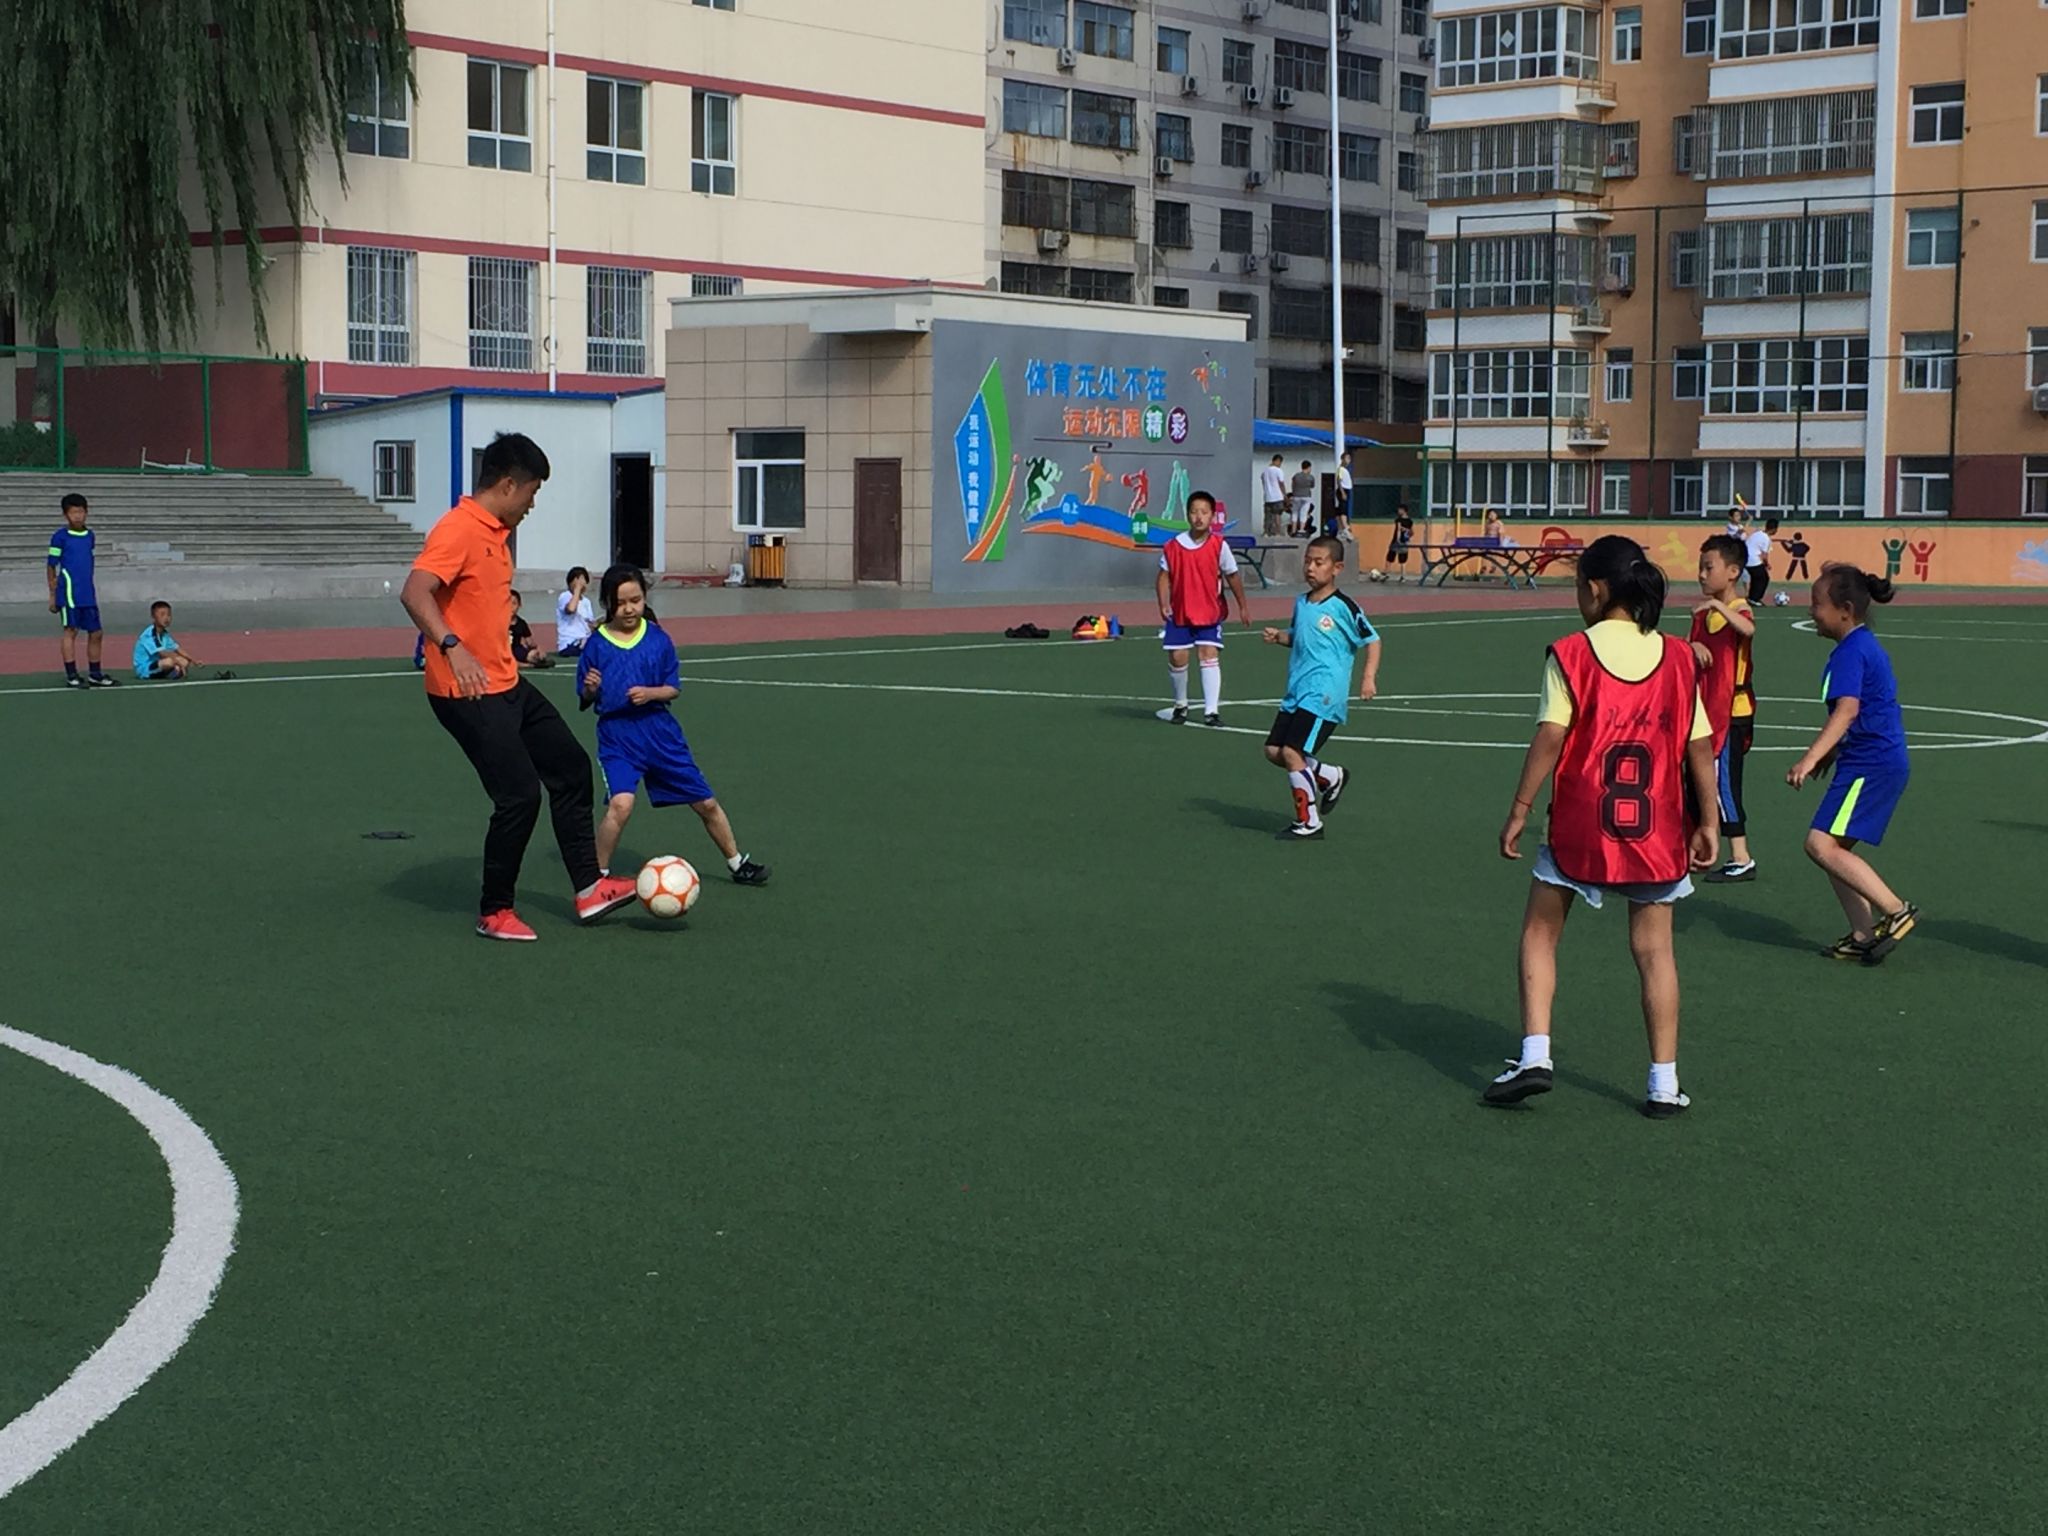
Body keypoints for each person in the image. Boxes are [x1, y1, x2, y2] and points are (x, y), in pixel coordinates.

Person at [1490, 535, 1719, 1119]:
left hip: (1580, 824)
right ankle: (1663, 1082)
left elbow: (1551, 735)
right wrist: (1710, 820)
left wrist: (1519, 808)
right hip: (1656, 829)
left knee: (1540, 931)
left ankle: (1535, 1054)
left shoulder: (1571, 653)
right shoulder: (1678, 657)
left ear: (1594, 589)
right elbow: (1700, 746)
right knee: (1655, 950)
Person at [398, 433, 637, 941]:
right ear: (508, 485)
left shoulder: (497, 533)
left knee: (570, 768)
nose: (532, 504)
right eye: (532, 492)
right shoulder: (459, 528)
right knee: (519, 796)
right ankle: (494, 911)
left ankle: (589, 888)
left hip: (505, 683)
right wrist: (452, 645)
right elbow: (415, 592)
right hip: (464, 692)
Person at [577, 565, 771, 888]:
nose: (629, 609)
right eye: (621, 603)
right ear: (607, 603)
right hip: (618, 737)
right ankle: (597, 879)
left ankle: (738, 863)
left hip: (660, 733)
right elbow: (585, 696)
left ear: (644, 598)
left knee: (706, 803)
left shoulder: (658, 639)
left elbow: (673, 688)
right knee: (621, 805)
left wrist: (650, 693)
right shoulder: (596, 644)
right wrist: (590, 688)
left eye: (635, 600)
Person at [1787, 564, 1917, 964]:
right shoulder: (1859, 647)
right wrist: (1831, 754)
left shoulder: (1851, 652)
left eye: (1817, 604)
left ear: (1845, 610)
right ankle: (1862, 933)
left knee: (1819, 844)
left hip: (1871, 763)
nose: (1811, 611)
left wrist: (1810, 758)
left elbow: (1847, 710)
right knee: (1834, 848)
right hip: (1870, 760)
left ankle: (1896, 910)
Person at [1260, 535, 1381, 840]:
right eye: (1307, 561)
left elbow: (1373, 640)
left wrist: (1368, 677)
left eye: (1319, 562)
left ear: (1337, 567)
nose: (1311, 568)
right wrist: (1280, 637)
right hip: (1297, 691)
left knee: (1292, 752)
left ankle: (1309, 822)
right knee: (1273, 751)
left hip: (1324, 694)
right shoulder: (1301, 602)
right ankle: (1329, 776)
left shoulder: (1343, 606)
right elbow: (1300, 637)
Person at [1690, 535, 1758, 883]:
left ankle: (1741, 856)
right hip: (1705, 710)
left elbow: (1748, 628)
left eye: (1709, 567)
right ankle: (1697, 845)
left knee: (1724, 783)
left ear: (1733, 572)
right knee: (1698, 779)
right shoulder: (1702, 615)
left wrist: (1717, 607)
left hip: (1732, 712)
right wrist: (1692, 647)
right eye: (1700, 567)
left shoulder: (1739, 611)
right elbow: (1689, 651)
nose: (1701, 575)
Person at [1157, 489, 1251, 726]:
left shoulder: (1219, 545)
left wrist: (1243, 606)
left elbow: (1232, 575)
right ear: (1187, 515)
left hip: (1209, 611)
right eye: (1194, 512)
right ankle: (1181, 705)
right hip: (1180, 611)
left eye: (1204, 512)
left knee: (1209, 653)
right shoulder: (1173, 546)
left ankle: (1211, 711)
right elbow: (1163, 576)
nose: (1199, 517)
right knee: (1178, 656)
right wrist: (1164, 602)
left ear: (1212, 516)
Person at [48, 493, 117, 688]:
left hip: (87, 593)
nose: (77, 516)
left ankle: (95, 673)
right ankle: (72, 675)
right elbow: (51, 566)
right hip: (69, 593)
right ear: (65, 515)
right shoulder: (60, 537)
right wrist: (53, 594)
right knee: (71, 631)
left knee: (96, 632)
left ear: (86, 512)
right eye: (73, 512)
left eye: (80, 512)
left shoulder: (90, 536)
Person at [132, 601, 200, 680]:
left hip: (159, 663)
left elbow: (177, 648)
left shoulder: (164, 634)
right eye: (162, 615)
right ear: (153, 616)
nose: (166, 618)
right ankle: (171, 672)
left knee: (184, 661)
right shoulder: (149, 635)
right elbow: (162, 653)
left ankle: (171, 672)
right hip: (145, 669)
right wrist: (177, 662)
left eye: (169, 615)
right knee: (169, 662)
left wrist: (193, 660)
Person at [556, 567, 595, 656]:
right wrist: (577, 589)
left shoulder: (586, 601)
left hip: (585, 640)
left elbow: (590, 624)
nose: (582, 583)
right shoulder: (565, 596)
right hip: (569, 643)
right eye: (578, 580)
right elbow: (571, 609)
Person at [509, 590, 552, 668]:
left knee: (533, 655)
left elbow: (531, 643)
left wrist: (539, 651)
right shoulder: (500, 623)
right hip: (504, 650)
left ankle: (538, 662)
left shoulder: (521, 623)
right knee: (506, 660)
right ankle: (527, 665)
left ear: (519, 605)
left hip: (517, 649)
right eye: (508, 604)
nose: (511, 607)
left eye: (514, 603)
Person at [1744, 517, 1778, 604]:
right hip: (1753, 560)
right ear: (1774, 529)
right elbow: (1765, 555)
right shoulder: (1766, 539)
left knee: (1756, 578)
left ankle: (1752, 598)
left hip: (1745, 559)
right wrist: (1767, 564)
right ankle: (1755, 598)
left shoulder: (1757, 533)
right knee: (1763, 578)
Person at [1259, 454, 1289, 540]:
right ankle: (1277, 532)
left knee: (1267, 516)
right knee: (1277, 515)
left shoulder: (1264, 471)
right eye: (1280, 462)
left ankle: (1266, 532)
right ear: (1277, 461)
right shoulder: (1278, 470)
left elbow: (1262, 481)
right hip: (1277, 496)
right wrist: (1285, 495)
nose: (1280, 464)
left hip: (1267, 497)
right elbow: (1281, 483)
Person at [1386, 501, 1415, 583]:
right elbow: (1412, 532)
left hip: (1398, 541)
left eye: (1399, 510)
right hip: (1405, 541)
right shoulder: (1410, 521)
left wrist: (1398, 539)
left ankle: (1388, 573)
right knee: (1401, 558)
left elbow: (1399, 530)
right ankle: (1401, 575)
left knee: (1391, 556)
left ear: (1403, 510)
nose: (1398, 511)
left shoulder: (1399, 520)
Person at [1290, 459, 1317, 539]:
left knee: (1295, 513)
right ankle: (1301, 530)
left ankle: (1293, 530)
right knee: (1303, 513)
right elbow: (1312, 486)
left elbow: (1293, 484)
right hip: (1306, 496)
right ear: (1308, 467)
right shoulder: (1311, 477)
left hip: (1296, 496)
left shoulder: (1296, 476)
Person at [1331, 451, 1354, 540]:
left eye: (1349, 459)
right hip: (1343, 490)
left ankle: (1340, 529)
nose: (1348, 460)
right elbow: (1339, 480)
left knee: (1339, 510)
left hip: (1346, 490)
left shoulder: (1345, 470)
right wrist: (1342, 492)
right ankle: (1345, 527)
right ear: (1342, 459)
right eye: (1347, 458)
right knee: (1343, 509)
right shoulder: (1340, 469)